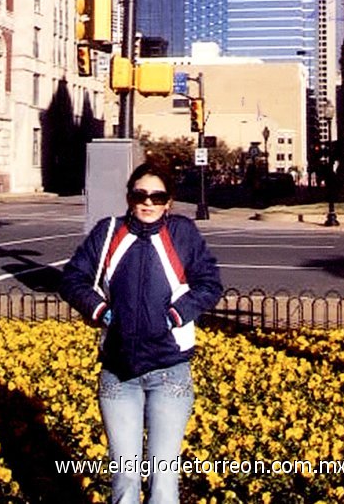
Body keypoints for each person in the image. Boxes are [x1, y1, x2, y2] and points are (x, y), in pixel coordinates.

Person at [59, 160, 222, 504]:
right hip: (118, 377)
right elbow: (72, 279)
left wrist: (176, 315)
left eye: (157, 196)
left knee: (164, 481)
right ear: (129, 197)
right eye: (140, 194)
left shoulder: (182, 234)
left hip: (170, 373)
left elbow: (210, 284)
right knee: (125, 478)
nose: (148, 202)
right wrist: (101, 311)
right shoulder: (108, 232)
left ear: (169, 202)